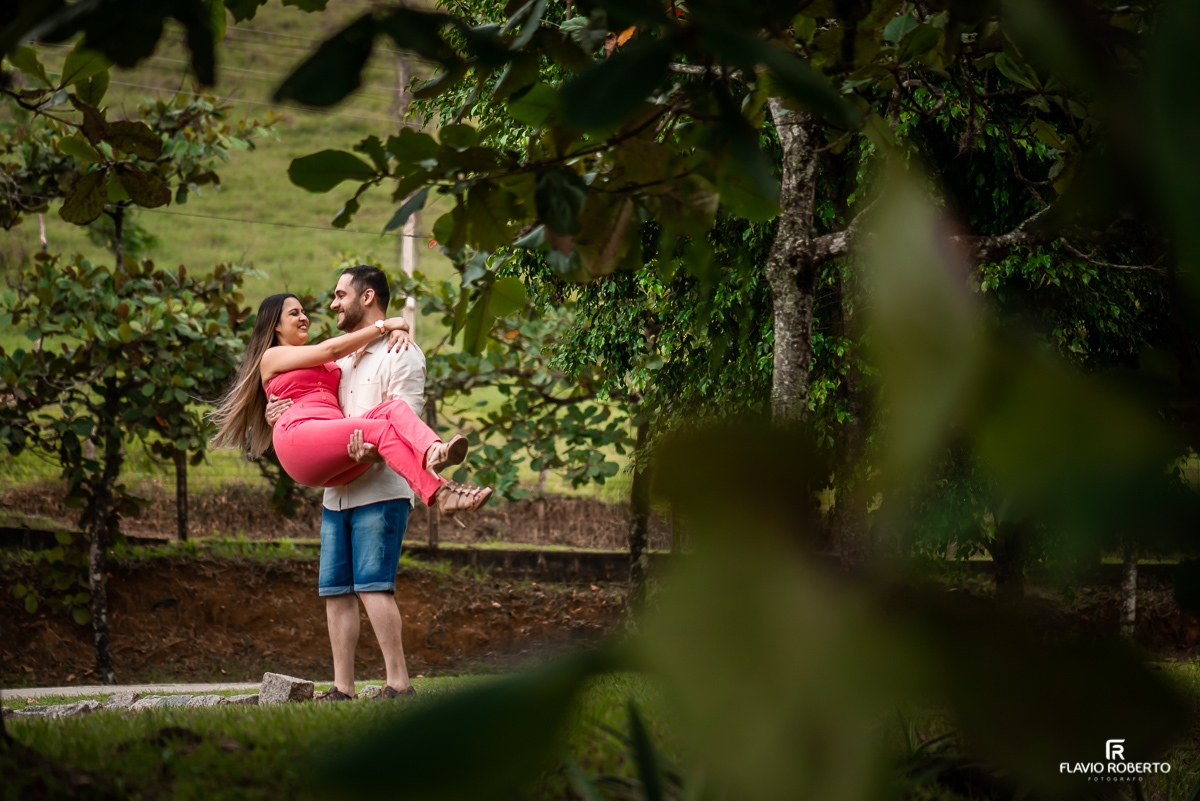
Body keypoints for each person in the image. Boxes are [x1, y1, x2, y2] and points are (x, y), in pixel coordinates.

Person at [210, 267, 491, 699]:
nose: (322, 309)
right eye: (296, 312)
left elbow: (389, 406)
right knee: (338, 588)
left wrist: (393, 332)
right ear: (274, 326)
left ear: (367, 296)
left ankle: (434, 462)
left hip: (374, 480)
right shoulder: (319, 355)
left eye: (338, 296)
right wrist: (387, 323)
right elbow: (327, 357)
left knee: (366, 582)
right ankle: (439, 485)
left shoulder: (394, 352)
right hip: (319, 460)